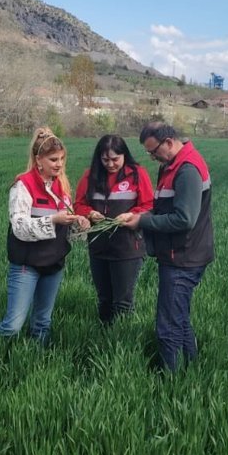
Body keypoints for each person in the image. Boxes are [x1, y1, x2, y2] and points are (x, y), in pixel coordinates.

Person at [116, 123, 215, 371]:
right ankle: (190, 372)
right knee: (179, 319)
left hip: (183, 257)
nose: (152, 157)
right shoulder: (172, 165)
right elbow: (164, 209)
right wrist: (140, 216)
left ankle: (170, 380)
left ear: (169, 142)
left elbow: (184, 219)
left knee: (168, 325)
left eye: (154, 151)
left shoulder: (187, 169)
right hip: (179, 254)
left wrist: (142, 221)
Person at [0, 127, 90, 346]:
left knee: (42, 323)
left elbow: (66, 226)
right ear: (38, 160)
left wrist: (79, 223)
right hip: (27, 264)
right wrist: (53, 220)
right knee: (12, 326)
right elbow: (19, 227)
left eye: (62, 159)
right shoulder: (23, 185)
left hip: (54, 263)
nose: (59, 164)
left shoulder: (61, 187)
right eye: (53, 159)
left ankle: (38, 360)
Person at [73, 135, 154, 324]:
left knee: (122, 302)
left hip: (128, 246)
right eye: (105, 160)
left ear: (124, 155)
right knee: (104, 299)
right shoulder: (90, 176)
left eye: (115, 159)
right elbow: (78, 204)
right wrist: (89, 213)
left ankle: (122, 336)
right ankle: (104, 333)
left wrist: (130, 215)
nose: (110, 164)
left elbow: (149, 205)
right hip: (98, 246)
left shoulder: (137, 174)